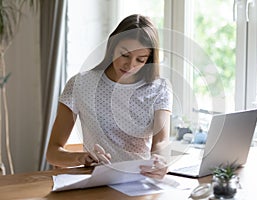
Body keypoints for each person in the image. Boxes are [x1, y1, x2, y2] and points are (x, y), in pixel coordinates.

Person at [46, 14, 173, 180]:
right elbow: (53, 153)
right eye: (125, 55)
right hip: (98, 182)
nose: (130, 65)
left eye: (140, 59)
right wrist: (80, 157)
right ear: (112, 46)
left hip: (140, 182)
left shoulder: (160, 88)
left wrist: (162, 161)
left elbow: (161, 142)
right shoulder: (81, 84)